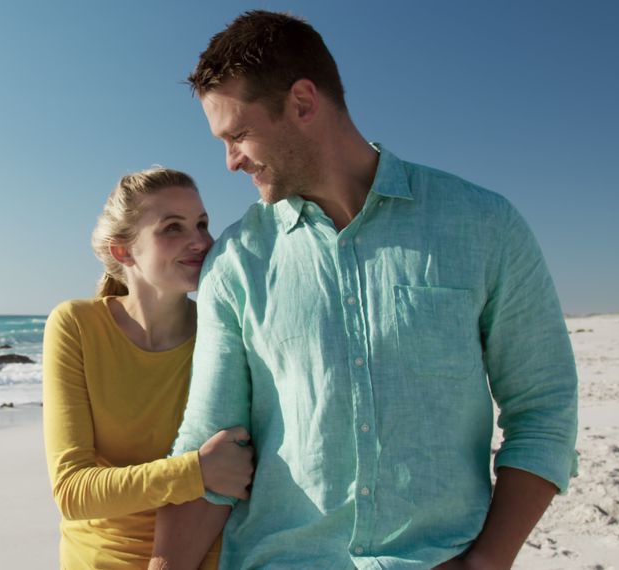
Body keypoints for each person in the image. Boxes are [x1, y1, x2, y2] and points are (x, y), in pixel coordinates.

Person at [151, 11, 579, 570]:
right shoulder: (235, 264)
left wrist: (489, 560)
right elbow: (209, 446)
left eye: (238, 134)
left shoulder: (485, 225)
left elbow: (543, 408)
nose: (230, 161)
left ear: (303, 103)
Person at [42, 167, 254, 569]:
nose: (201, 241)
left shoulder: (225, 328)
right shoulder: (76, 326)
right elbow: (72, 491)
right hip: (99, 559)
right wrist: (197, 471)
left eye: (202, 223)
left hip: (208, 557)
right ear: (123, 251)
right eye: (172, 228)